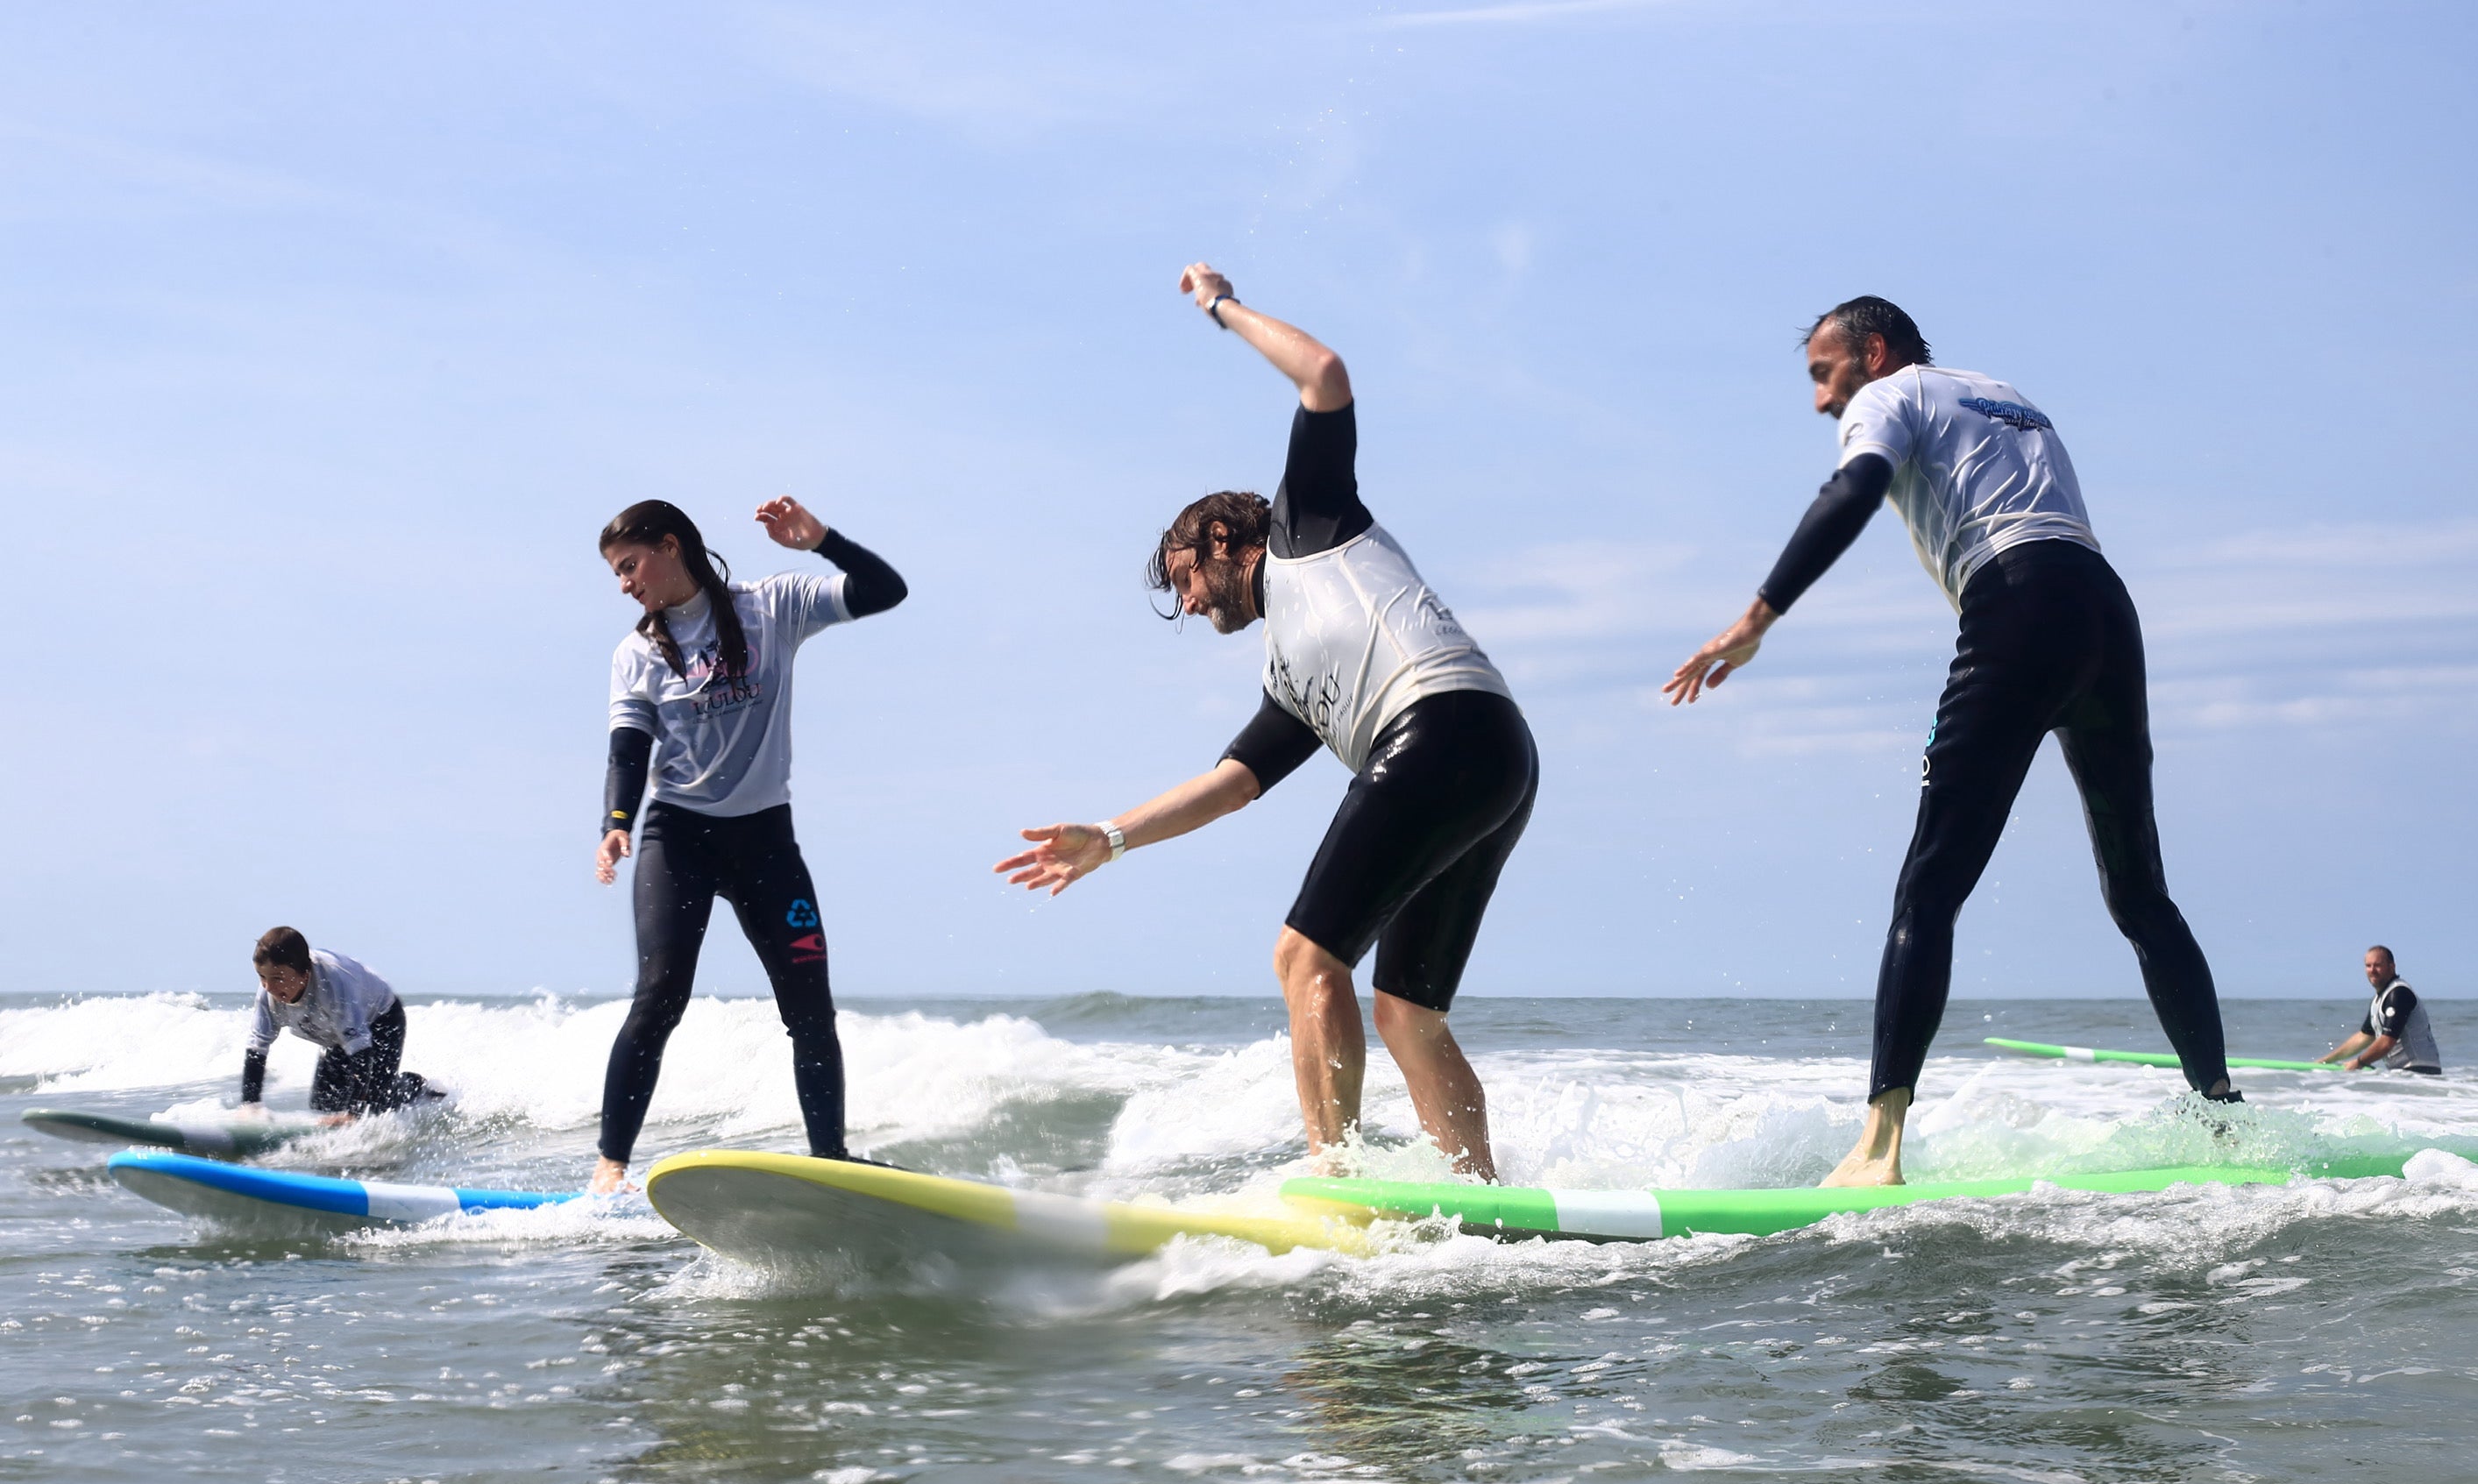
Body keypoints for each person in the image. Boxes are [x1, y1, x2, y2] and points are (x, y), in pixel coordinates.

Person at [1665, 297, 2240, 1187]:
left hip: (2014, 609)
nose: (1820, 399)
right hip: (2103, 611)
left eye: (1824, 373)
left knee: (1926, 888)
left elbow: (1851, 490)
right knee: (2139, 895)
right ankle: (2221, 1118)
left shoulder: (1887, 396)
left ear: (1873, 351)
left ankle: (1877, 1148)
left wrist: (1756, 618)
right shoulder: (2001, 392)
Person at [993, 265, 1537, 1182]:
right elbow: (1229, 784)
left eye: (1182, 578)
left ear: (1215, 538)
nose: (1188, 602)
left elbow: (1323, 373)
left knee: (1302, 955)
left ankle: (1337, 1180)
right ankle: (1483, 1203)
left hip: (1439, 729)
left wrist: (1218, 307)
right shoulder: (1288, 670)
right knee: (1406, 1010)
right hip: (1495, 755)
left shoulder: (1305, 526)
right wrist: (1113, 837)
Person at [591, 495, 907, 1193]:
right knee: (659, 997)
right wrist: (616, 820)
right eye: (616, 573)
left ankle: (831, 1165)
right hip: (678, 839)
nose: (624, 583)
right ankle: (609, 1168)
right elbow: (629, 745)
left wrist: (823, 541)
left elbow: (887, 590)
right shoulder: (636, 652)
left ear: (670, 546)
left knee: (810, 1008)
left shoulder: (775, 605)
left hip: (766, 841)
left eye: (629, 565)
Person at [239, 926, 430, 1123]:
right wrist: (250, 1104)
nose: (269, 987)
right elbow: (257, 1048)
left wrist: (352, 1113)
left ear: (305, 974)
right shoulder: (268, 995)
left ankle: (414, 1085)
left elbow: (361, 1050)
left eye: (278, 978)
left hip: (381, 1019)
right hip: (338, 1033)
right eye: (262, 977)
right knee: (324, 1103)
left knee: (374, 1108)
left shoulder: (334, 987)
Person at [2321, 946, 2442, 1074]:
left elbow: (2386, 1042)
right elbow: (2364, 1037)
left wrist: (2359, 1062)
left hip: (2421, 1072)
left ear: (2392, 967)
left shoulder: (2399, 994)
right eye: (2368, 966)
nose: (2372, 970)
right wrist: (2325, 1061)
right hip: (2404, 1074)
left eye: (2377, 965)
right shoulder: (2379, 999)